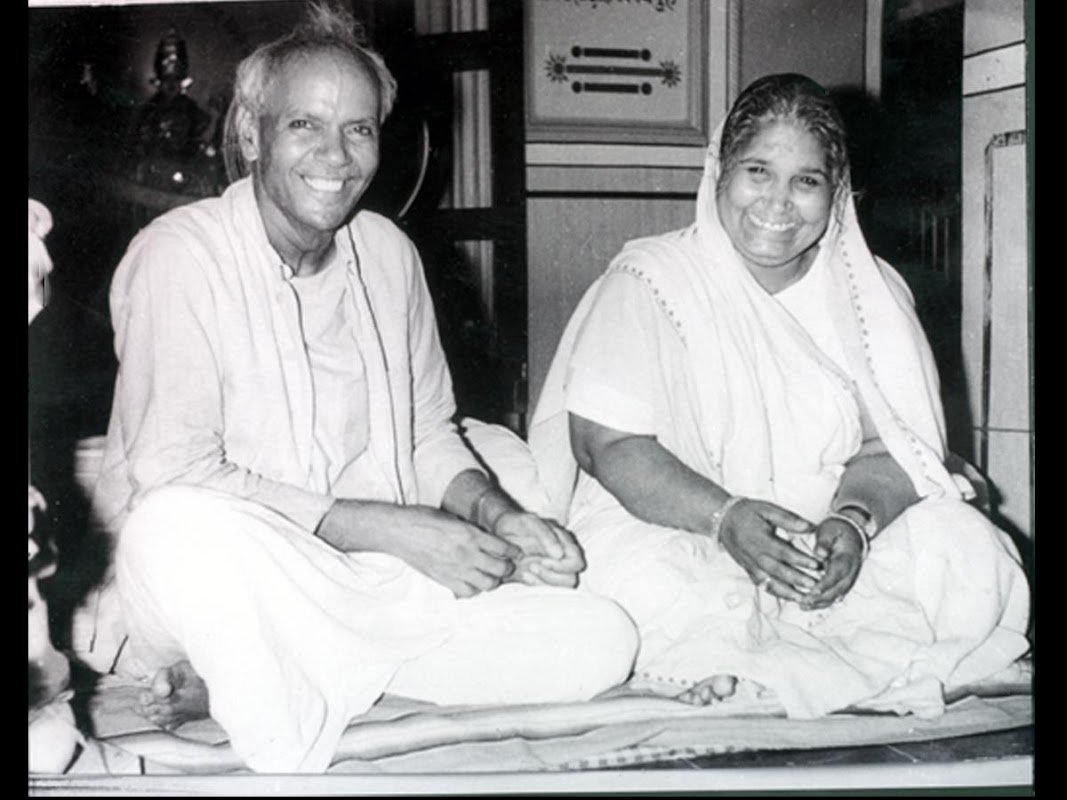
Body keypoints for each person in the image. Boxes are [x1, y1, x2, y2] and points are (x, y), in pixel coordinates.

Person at [85, 3, 636, 774]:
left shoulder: (387, 253)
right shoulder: (180, 256)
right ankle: (283, 731)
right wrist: (398, 530)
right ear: (251, 134)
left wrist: (497, 517)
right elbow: (174, 476)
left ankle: (278, 675)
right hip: (226, 583)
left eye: (359, 129)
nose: (335, 156)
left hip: (367, 591)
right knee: (173, 526)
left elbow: (426, 432)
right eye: (303, 125)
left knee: (599, 639)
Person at [529, 73, 1031, 720]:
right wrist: (726, 520)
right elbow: (605, 445)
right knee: (639, 584)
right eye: (757, 171)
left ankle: (761, 668)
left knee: (968, 549)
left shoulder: (872, 293)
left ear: (837, 191)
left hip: (823, 533)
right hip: (681, 523)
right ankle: (797, 664)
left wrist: (853, 525)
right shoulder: (649, 279)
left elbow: (892, 449)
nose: (778, 203)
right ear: (719, 172)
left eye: (806, 180)